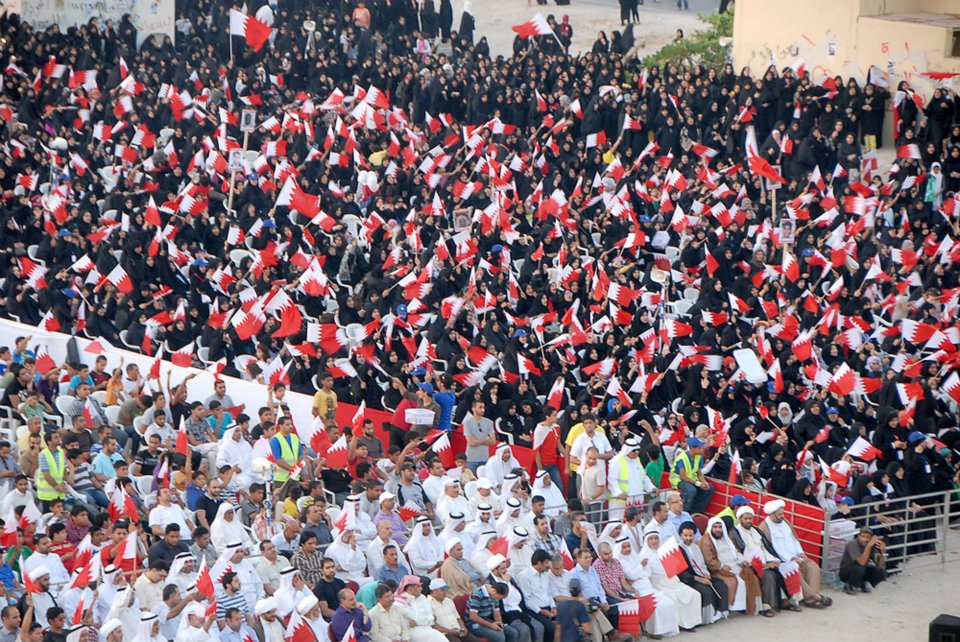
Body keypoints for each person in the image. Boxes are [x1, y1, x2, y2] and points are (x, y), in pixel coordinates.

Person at [757, 499, 832, 609]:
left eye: (782, 513)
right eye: (779, 514)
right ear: (772, 514)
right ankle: (814, 596)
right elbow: (772, 549)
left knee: (813, 566)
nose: (782, 516)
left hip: (796, 556)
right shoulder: (764, 527)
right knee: (793, 569)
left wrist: (801, 553)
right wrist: (791, 558)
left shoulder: (785, 522)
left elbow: (794, 539)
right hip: (781, 561)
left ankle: (812, 599)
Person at [638, 530, 702, 631]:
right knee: (674, 598)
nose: (654, 541)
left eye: (656, 538)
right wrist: (643, 566)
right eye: (651, 539)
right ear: (647, 541)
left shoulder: (663, 551)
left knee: (693, 594)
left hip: (672, 581)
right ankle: (680, 624)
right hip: (658, 585)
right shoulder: (643, 556)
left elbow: (673, 568)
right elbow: (644, 575)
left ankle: (691, 623)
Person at [699, 517, 758, 615]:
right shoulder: (706, 540)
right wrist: (721, 566)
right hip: (719, 569)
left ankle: (748, 606)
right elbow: (709, 560)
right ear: (710, 528)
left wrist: (743, 561)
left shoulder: (726, 538)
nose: (718, 530)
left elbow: (736, 552)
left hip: (735, 565)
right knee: (738, 582)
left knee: (752, 578)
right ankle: (734, 607)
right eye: (715, 527)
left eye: (720, 527)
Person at [668, 437, 714, 515]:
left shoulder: (699, 457)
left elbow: (699, 473)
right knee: (691, 491)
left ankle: (695, 512)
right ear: (692, 448)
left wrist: (704, 482)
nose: (702, 450)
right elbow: (683, 477)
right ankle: (683, 511)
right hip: (679, 480)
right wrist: (698, 484)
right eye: (699, 448)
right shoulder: (682, 458)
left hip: (692, 480)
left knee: (710, 488)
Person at [839, 528, 888, 594]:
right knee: (860, 568)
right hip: (846, 572)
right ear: (859, 536)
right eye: (863, 536)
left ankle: (862, 583)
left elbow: (880, 565)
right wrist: (868, 546)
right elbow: (861, 562)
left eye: (867, 537)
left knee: (882, 572)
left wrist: (882, 553)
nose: (865, 539)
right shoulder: (853, 543)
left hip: (861, 569)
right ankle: (848, 585)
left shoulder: (872, 546)